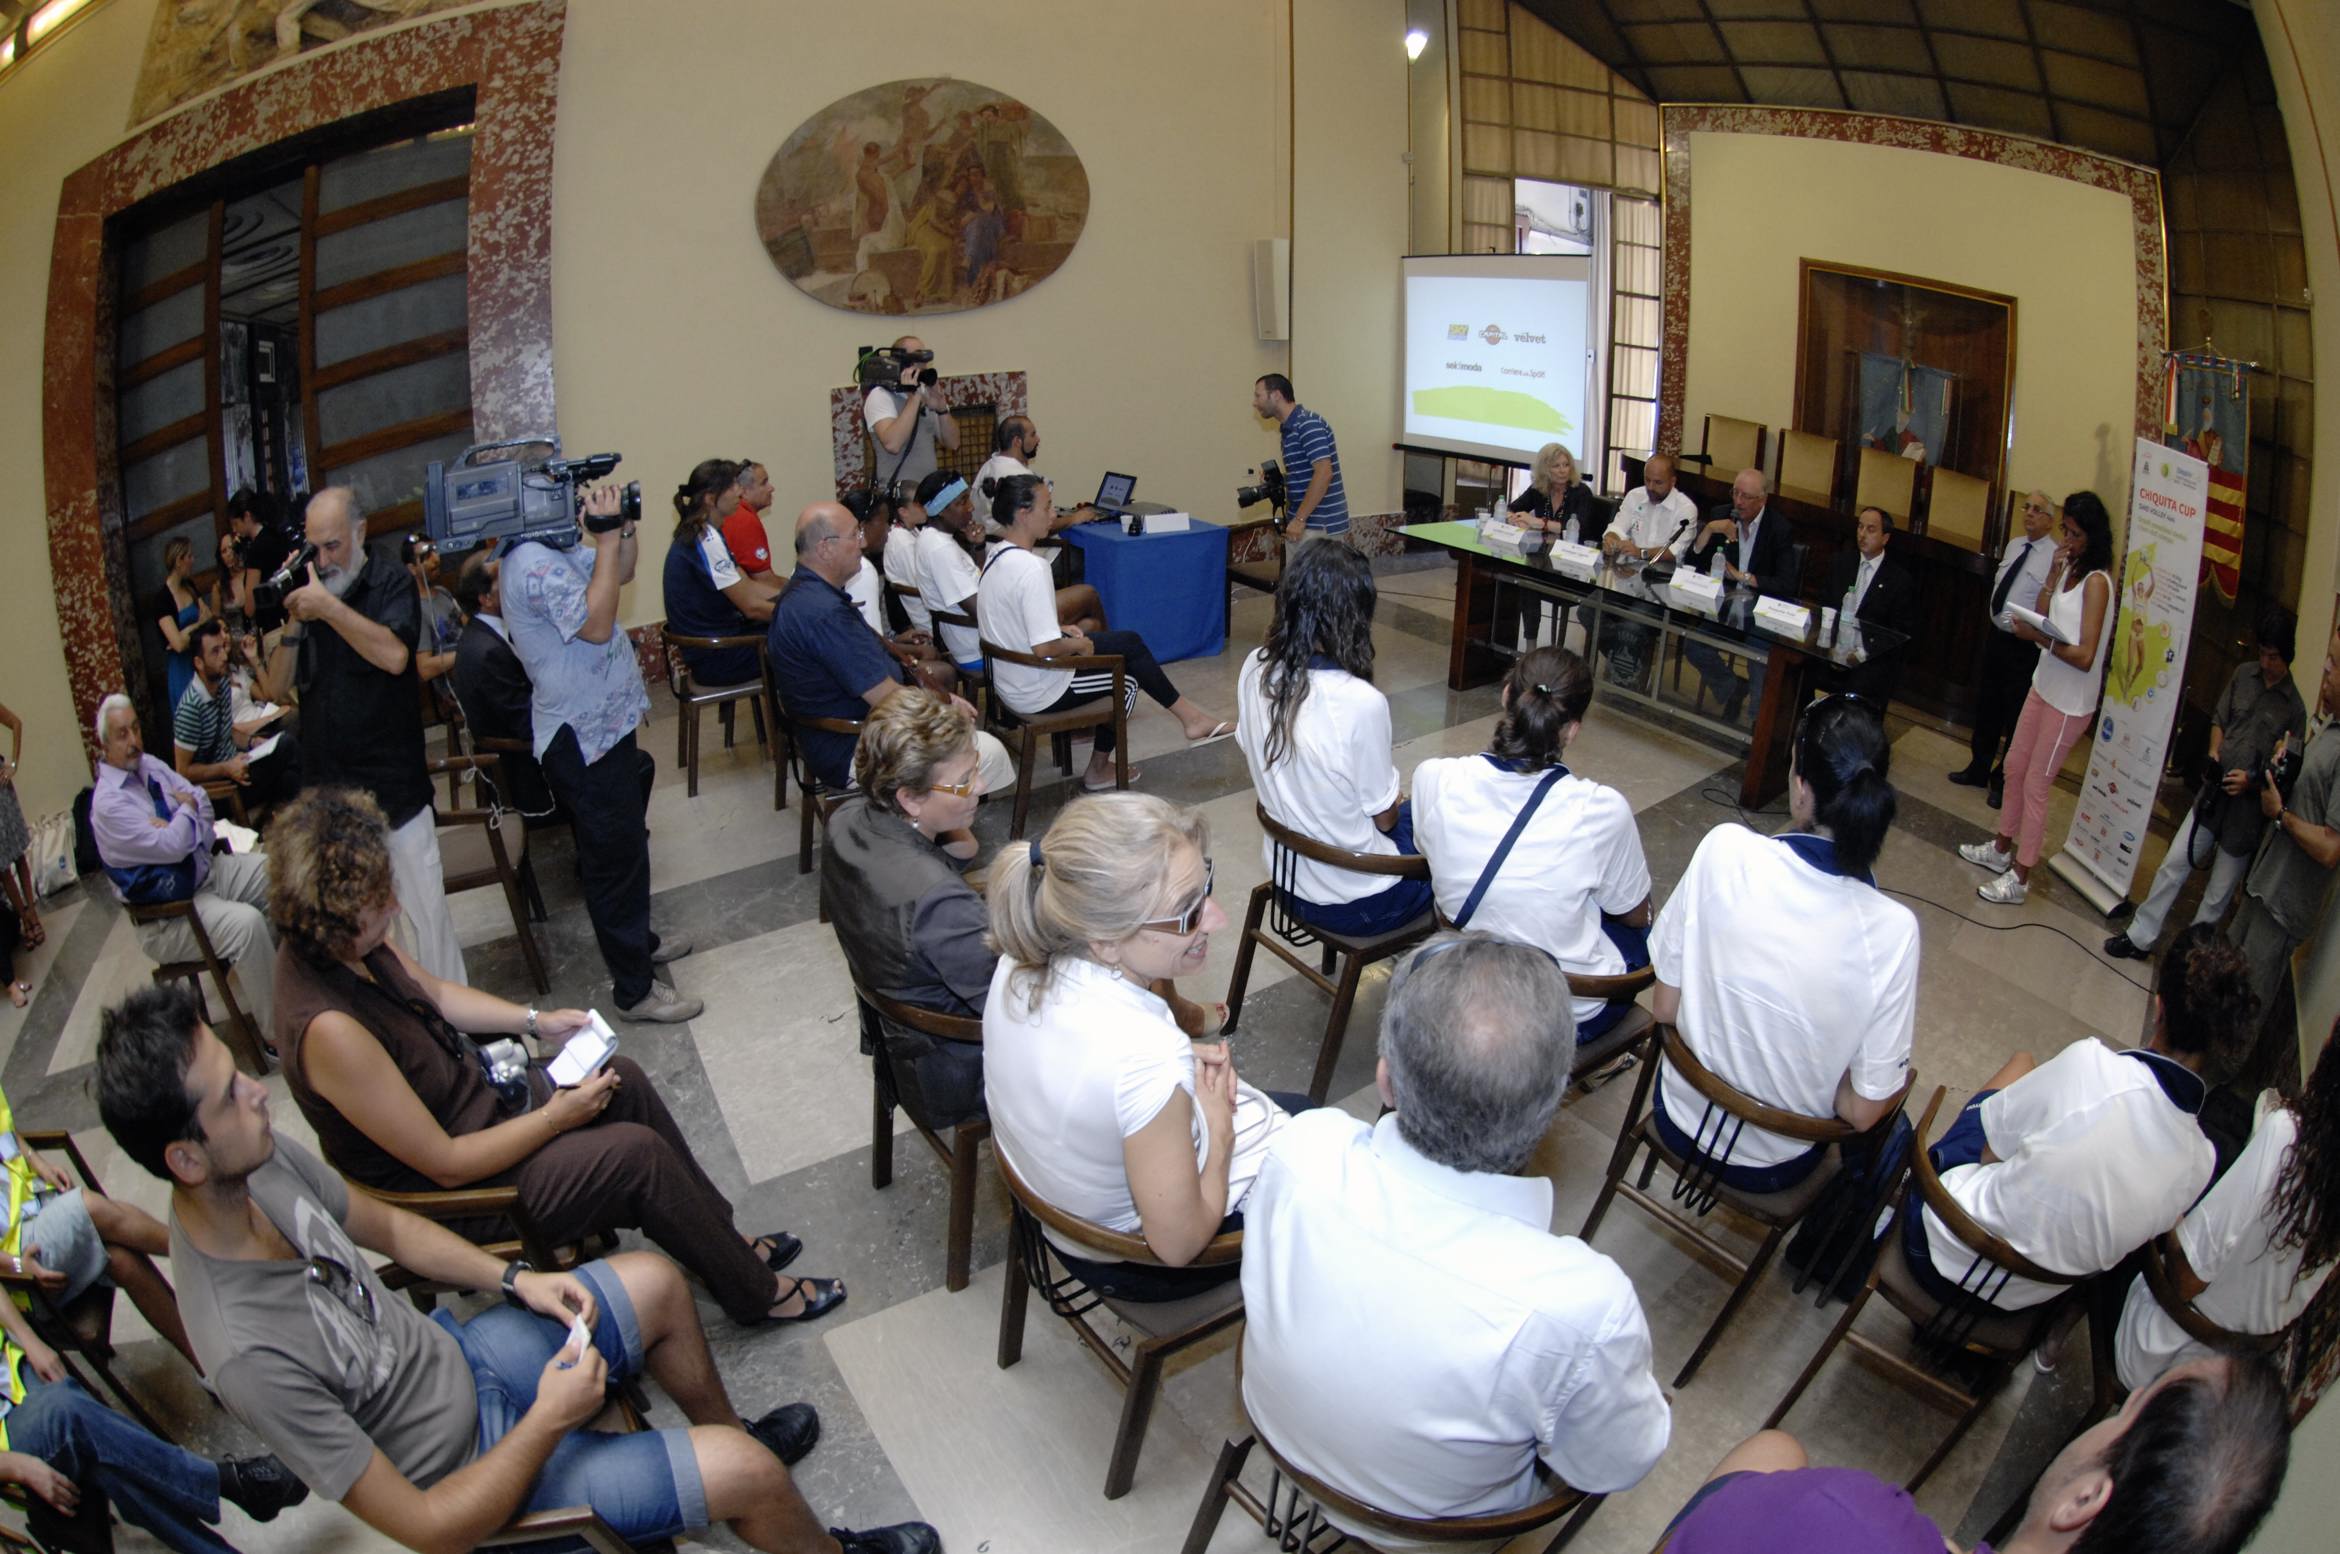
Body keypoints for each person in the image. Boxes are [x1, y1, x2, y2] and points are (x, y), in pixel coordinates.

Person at [91, 985, 941, 1554]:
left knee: (657, 1285)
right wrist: (547, 1418)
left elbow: (385, 1221)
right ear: (185, 1159)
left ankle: (731, 1440)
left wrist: (514, 1282)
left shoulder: (260, 1162)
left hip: (468, 1360)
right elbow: (427, 1528)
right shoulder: (243, 1350)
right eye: (227, 1092)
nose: (256, 1089)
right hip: (472, 1470)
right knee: (748, 1477)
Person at [265, 788, 835, 1325]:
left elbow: (434, 994)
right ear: (332, 919)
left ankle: (723, 1242)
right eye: (376, 904)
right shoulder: (328, 1028)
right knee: (636, 1156)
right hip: (464, 1193)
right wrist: (558, 1117)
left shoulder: (351, 940)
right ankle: (756, 1296)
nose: (393, 905)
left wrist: (534, 1021)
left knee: (622, 1078)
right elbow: (445, 1163)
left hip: (486, 1109)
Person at [1239, 933, 1669, 1537]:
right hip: (1438, 1527)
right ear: (1549, 1108)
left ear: (1385, 1080)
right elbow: (1615, 1461)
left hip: (1280, 1433)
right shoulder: (1582, 1305)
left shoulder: (1303, 1149)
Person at [983, 794, 1290, 1299]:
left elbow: (1082, 1064)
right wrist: (1218, 1131)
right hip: (1131, 1262)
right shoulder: (1146, 1054)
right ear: (1104, 940)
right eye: (1186, 913)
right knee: (1325, 1161)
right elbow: (1178, 1245)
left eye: (1204, 889)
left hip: (1055, 1211)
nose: (1215, 918)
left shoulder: (1017, 961)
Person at [1648, 695, 1914, 1189]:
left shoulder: (1723, 849)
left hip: (1679, 1119)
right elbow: (1862, 1111)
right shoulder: (1893, 930)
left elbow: (1665, 1008)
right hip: (1775, 1164)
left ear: (1799, 787)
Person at [1658, 1351, 2289, 1554]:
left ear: (2085, 1498)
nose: (2112, 1415)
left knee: (1775, 1446)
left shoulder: (1847, 1522)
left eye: (2128, 1411)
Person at [1913, 924, 2237, 1313]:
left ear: (2158, 1007)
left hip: (1933, 1251)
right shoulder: (2199, 1163)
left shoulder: (2092, 1066)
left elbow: (1989, 1153)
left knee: (2021, 1065)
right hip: (2019, 1306)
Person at [500, 483, 701, 1024]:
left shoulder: (555, 549)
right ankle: (634, 991)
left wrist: (624, 528)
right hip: (579, 736)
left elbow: (623, 572)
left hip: (603, 726)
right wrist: (607, 538)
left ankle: (640, 941)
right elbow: (596, 624)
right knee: (611, 861)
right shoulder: (530, 564)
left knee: (626, 847)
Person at [1414, 648, 1653, 1042]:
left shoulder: (1434, 778)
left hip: (1467, 979)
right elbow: (1632, 914)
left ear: (1506, 696)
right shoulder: (1601, 811)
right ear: (1572, 730)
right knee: (1636, 925)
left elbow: (1431, 855)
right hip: (1555, 1014)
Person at [279, 487, 466, 984]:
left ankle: (464, 1037)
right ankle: (407, 1037)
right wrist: (295, 622)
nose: (324, 559)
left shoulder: (390, 582)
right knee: (369, 941)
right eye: (315, 548)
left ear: (360, 533)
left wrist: (328, 608)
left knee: (427, 922)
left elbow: (395, 656)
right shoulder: (312, 591)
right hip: (336, 803)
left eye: (334, 545)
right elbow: (277, 685)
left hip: (395, 795)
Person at [2115, 1015, 2337, 1391]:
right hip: (2229, 1382)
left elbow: (2185, 1278)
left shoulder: (2289, 1137)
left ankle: (2050, 1345)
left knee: (2122, 1202)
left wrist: (2172, 1213)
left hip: (2164, 1357)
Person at [978, 475, 1232, 793]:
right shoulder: (1032, 568)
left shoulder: (996, 555)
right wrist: (1078, 644)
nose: (1054, 514)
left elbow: (1013, 620)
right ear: (1024, 514)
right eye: (1048, 506)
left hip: (1009, 676)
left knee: (1128, 642)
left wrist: (1061, 630)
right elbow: (1044, 647)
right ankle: (1098, 770)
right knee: (1126, 682)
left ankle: (1191, 718)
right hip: (1036, 686)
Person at [1235, 539, 1433, 937]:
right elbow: (1385, 816)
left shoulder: (1255, 668)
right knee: (1457, 842)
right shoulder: (1359, 702)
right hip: (1360, 901)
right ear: (1355, 616)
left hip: (1289, 880)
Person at [821, 690, 994, 1129]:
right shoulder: (940, 903)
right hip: (955, 1070)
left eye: (976, 769)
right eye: (964, 781)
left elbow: (959, 851)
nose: (982, 787)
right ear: (910, 799)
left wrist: (950, 820)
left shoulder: (846, 818)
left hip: (896, 1039)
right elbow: (1015, 1006)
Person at [766, 500, 1015, 802]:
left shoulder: (804, 593)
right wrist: (944, 706)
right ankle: (934, 837)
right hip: (854, 746)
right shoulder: (824, 613)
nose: (864, 542)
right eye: (855, 535)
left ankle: (939, 826)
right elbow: (887, 699)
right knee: (985, 753)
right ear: (825, 548)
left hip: (844, 734)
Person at [2108, 608, 2305, 962]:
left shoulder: (2295, 709)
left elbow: (2287, 771)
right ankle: (2140, 936)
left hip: (2246, 814)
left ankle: (2189, 962)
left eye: (2273, 656)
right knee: (2174, 863)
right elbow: (2219, 718)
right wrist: (2214, 752)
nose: (2265, 661)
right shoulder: (2244, 675)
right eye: (2261, 653)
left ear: (2287, 653)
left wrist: (2252, 780)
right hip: (2212, 796)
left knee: (2217, 895)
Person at [89, 693, 278, 1049]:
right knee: (248, 925)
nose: (133, 742)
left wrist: (182, 819)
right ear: (103, 744)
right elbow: (174, 844)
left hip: (205, 871)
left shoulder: (150, 766)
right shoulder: (108, 806)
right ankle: (277, 1038)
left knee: (279, 875)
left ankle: (293, 992)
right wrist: (187, 814)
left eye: (135, 729)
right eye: (121, 734)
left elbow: (202, 802)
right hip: (169, 915)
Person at [0, 1336, 306, 1553]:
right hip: (9, 1441)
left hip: (16, 1374)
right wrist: (18, 1467)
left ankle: (233, 1499)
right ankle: (228, 1481)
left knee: (106, 1457)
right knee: (68, 1414)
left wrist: (29, 1340)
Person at [1960, 490, 2116, 906]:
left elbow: (2084, 656)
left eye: (2077, 534)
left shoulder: (2098, 582)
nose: (2069, 540)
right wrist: (2051, 575)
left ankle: (2022, 876)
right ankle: (2000, 850)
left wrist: (2038, 638)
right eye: (2066, 531)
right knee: (2013, 765)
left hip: (2069, 702)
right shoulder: (2071, 568)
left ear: (2095, 536)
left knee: (2036, 783)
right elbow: (2047, 608)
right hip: (2043, 684)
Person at [1, 1073, 198, 1370]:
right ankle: (204, 1248)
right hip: (20, 1263)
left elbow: (7, 1132)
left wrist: (37, 1162)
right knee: (89, 1206)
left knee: (122, 1260)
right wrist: (16, 1267)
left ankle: (206, 1364)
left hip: (37, 1205)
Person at [2222, 623, 2340, 1087]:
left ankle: (2215, 1101)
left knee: (2246, 1008)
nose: (2324, 673)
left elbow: (2331, 848)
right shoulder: (2330, 726)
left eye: (2333, 665)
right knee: (2226, 983)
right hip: (2263, 883)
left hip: (2285, 905)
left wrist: (2281, 814)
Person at [1949, 489, 2058, 807]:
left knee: (2015, 714)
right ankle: (1978, 767)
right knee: (1988, 706)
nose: (2030, 513)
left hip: (2024, 645)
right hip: (1996, 638)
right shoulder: (2014, 545)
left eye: (2038, 509)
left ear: (2051, 520)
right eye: (2027, 507)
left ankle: (2002, 781)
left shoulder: (2053, 557)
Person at [1682, 468, 1794, 721]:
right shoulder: (1722, 517)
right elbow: (1691, 562)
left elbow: (1786, 584)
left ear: (1762, 500)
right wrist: (1709, 529)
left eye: (1746, 497)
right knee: (1693, 643)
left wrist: (1743, 577)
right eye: (1735, 493)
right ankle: (1732, 688)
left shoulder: (1778, 529)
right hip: (1725, 607)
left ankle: (1757, 723)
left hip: (1759, 613)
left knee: (1760, 658)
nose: (1738, 502)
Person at [451, 550, 554, 817]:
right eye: (504, 576)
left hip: (523, 751)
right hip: (524, 776)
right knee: (629, 766)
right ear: (485, 598)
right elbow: (524, 723)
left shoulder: (486, 633)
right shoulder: (487, 651)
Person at [663, 456, 779, 688]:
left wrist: (795, 597)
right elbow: (751, 606)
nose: (739, 491)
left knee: (799, 630)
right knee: (807, 643)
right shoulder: (705, 538)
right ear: (710, 498)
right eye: (732, 486)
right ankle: (797, 722)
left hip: (718, 645)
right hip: (717, 656)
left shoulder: (706, 531)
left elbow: (748, 587)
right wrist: (802, 615)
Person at [1597, 451, 1699, 687]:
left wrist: (1640, 552)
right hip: (1626, 580)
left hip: (1661, 590)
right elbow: (1618, 526)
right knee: (1589, 612)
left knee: (1631, 626)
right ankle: (1623, 664)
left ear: (1673, 482)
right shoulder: (1635, 496)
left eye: (1658, 482)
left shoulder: (1685, 510)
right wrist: (1611, 539)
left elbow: (1676, 550)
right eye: (1647, 480)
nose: (1651, 487)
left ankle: (1630, 682)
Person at [172, 621, 301, 807]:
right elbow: (183, 771)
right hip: (220, 786)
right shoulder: (190, 708)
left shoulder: (222, 684)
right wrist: (225, 768)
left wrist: (252, 742)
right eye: (215, 652)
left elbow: (228, 731)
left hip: (239, 765)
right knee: (286, 745)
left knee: (289, 778)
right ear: (199, 663)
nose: (224, 656)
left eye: (223, 649)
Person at [844, 493, 956, 695]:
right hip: (864, 674)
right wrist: (912, 653)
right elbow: (869, 646)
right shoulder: (862, 570)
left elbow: (865, 631)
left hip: (854, 658)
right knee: (942, 671)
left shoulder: (839, 563)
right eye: (885, 522)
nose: (888, 530)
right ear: (862, 526)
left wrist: (898, 639)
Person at [1812, 506, 1917, 706]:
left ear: (1885, 538)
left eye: (1870, 529)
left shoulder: (1899, 580)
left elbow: (1898, 633)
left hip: (1869, 658)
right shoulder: (1841, 563)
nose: (1862, 534)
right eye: (1860, 527)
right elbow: (1824, 605)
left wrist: (1860, 655)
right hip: (1833, 650)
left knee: (1862, 686)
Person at [910, 469, 991, 675]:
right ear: (941, 510)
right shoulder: (941, 549)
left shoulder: (934, 538)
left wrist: (978, 547)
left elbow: (980, 581)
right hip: (980, 648)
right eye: (962, 502)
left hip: (971, 639)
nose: (971, 507)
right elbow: (978, 609)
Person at [1253, 373, 1350, 541]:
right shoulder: (1289, 428)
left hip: (1319, 526)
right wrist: (1279, 479)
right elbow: (1305, 475)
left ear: (1276, 395)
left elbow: (1324, 473)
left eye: (1258, 396)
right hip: (1304, 524)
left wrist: (1299, 519)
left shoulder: (1308, 424)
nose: (1255, 403)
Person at [864, 334, 958, 497]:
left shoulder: (925, 393)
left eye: (924, 359)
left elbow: (953, 443)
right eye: (916, 358)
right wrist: (914, 398)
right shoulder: (880, 396)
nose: (922, 365)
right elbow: (893, 444)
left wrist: (942, 408)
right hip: (899, 498)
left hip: (927, 495)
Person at [153, 535, 216, 714]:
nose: (193, 560)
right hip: (182, 669)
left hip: (201, 659)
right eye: (189, 557)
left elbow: (208, 616)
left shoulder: (189, 586)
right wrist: (198, 625)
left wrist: (189, 630)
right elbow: (178, 644)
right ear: (179, 561)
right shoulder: (162, 600)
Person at [217, 487, 292, 636]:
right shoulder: (275, 535)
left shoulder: (256, 550)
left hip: (272, 624)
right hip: (289, 615)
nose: (235, 530)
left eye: (236, 524)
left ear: (247, 516)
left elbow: (250, 605)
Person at [0, 699, 43, 954]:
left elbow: (16, 723)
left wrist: (13, 764)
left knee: (18, 855)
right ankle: (25, 919)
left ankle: (33, 913)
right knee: (2, 864)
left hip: (2, 790)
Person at [400, 533, 462, 694]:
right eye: (426, 556)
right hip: (457, 686)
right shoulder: (416, 610)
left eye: (435, 551)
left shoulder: (443, 592)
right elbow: (425, 668)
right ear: (412, 569)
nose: (436, 559)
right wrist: (465, 653)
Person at [1503, 441, 1598, 540]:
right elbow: (1510, 509)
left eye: (1566, 465)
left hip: (1572, 550)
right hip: (1541, 549)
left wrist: (1539, 523)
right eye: (1556, 466)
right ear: (1545, 469)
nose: (1563, 470)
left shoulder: (1581, 492)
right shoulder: (1538, 489)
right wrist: (1515, 520)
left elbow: (1579, 529)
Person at [721, 458, 780, 582]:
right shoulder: (744, 520)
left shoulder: (737, 514)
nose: (771, 488)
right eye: (764, 483)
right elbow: (765, 581)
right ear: (744, 491)